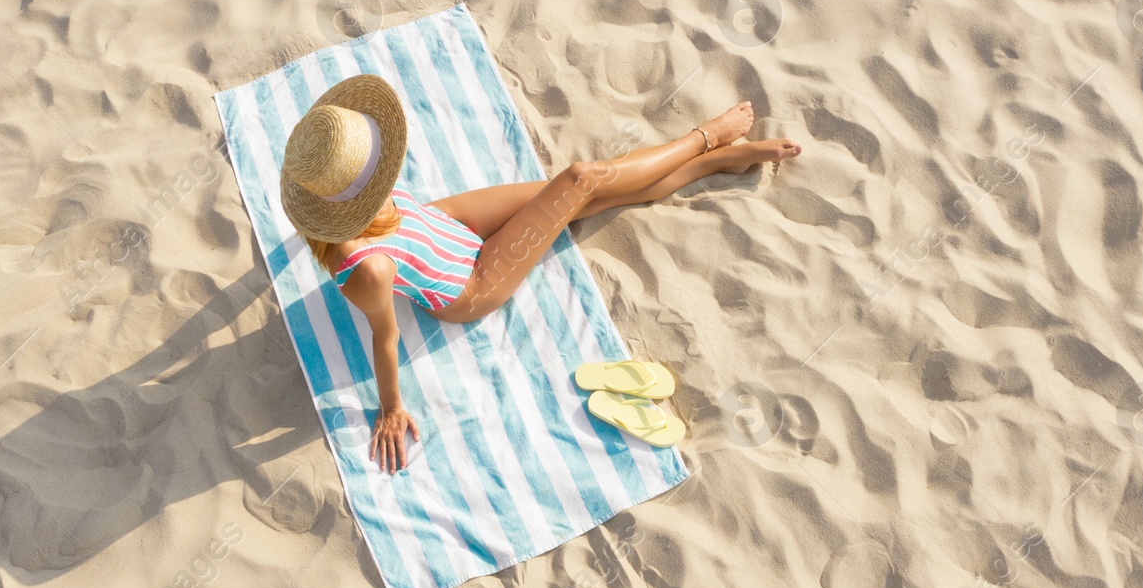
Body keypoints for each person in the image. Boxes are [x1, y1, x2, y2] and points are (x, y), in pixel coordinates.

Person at [281, 75, 801, 472]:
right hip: (470, 281)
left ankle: (713, 163)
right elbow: (385, 337)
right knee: (580, 181)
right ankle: (706, 144)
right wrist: (391, 408)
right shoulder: (367, 269)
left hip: (439, 223)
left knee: (582, 195)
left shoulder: (323, 194)